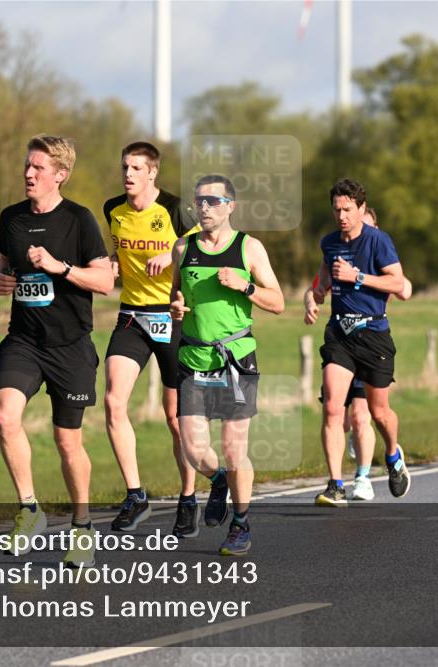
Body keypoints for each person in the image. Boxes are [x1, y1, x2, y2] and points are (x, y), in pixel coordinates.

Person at [0, 135, 113, 565]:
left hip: (70, 345)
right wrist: (1, 279)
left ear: (59, 175)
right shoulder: (10, 218)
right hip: (24, 340)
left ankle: (82, 526)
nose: (28, 173)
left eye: (38, 168)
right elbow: (4, 263)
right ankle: (30, 509)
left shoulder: (79, 220)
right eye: (27, 166)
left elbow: (104, 281)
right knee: (6, 416)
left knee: (67, 441)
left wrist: (58, 267)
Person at [169, 174, 284, 556]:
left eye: (212, 201)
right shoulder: (182, 247)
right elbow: (176, 296)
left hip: (235, 359)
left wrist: (245, 286)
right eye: (199, 201)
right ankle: (218, 480)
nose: (203, 207)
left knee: (235, 449)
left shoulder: (248, 248)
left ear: (230, 206)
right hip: (193, 356)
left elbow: (279, 302)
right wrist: (175, 308)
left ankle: (240, 522)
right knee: (192, 449)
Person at [102, 142, 199, 537]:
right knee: (112, 400)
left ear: (152, 173)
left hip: (172, 317)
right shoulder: (114, 210)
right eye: (125, 166)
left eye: (136, 168)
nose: (128, 174)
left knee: (176, 418)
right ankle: (136, 494)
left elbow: (200, 254)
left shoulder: (175, 210)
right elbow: (116, 249)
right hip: (131, 317)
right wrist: (110, 265)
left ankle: (189, 497)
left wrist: (172, 254)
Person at [311, 178, 409, 506]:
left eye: (348, 209)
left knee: (379, 413)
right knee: (331, 407)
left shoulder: (379, 241)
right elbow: (325, 273)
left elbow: (398, 282)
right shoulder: (329, 242)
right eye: (337, 209)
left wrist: (359, 277)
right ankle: (336, 484)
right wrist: (316, 294)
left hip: (373, 335)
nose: (341, 215)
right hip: (339, 333)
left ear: (361, 209)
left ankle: (393, 455)